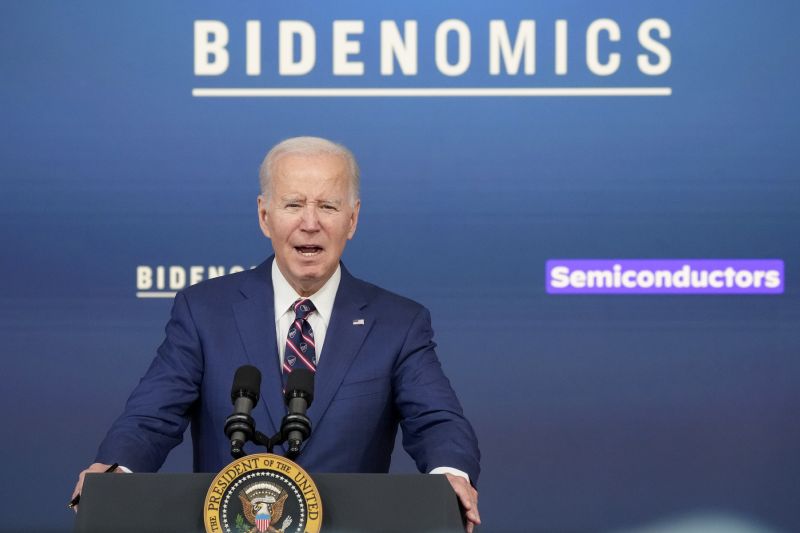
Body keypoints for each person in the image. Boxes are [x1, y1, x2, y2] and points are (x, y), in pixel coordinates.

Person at [72, 136, 481, 531]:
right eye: (293, 204)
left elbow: (437, 421)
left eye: (327, 205)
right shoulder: (204, 311)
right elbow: (151, 415)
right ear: (264, 216)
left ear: (352, 219)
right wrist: (115, 470)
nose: (310, 223)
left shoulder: (398, 323)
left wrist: (450, 474)